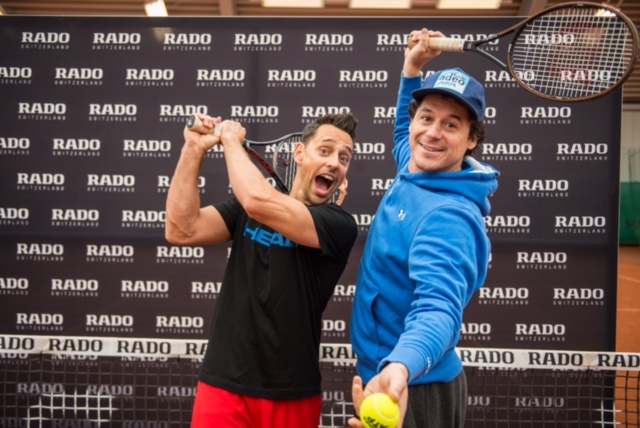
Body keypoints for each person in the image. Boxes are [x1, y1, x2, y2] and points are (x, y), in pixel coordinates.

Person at [165, 112, 359, 428]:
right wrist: (194, 149)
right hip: (223, 384)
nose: (334, 162)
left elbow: (257, 200)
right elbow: (181, 230)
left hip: (292, 394)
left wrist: (230, 140)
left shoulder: (339, 225)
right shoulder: (245, 210)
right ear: (299, 153)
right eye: (325, 150)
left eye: (344, 158)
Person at [348, 29, 500, 428]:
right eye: (426, 117)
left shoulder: (448, 217)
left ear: (471, 140)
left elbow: (439, 310)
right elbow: (404, 129)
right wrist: (412, 67)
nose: (432, 133)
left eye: (451, 125)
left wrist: (400, 367)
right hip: (384, 373)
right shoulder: (414, 167)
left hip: (412, 386)